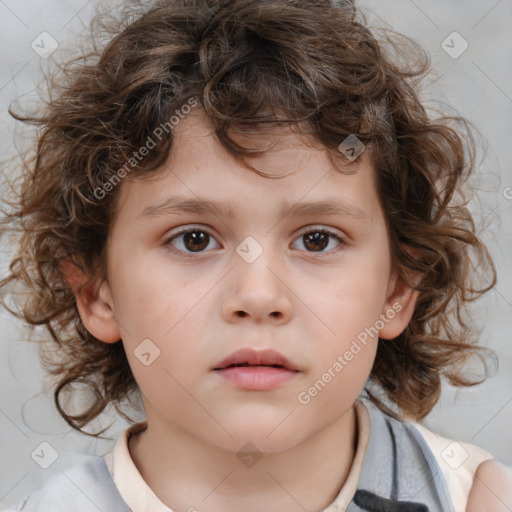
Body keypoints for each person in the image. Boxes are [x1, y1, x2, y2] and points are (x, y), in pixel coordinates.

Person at [1, 0, 511, 510]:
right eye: (194, 239)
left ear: (397, 291)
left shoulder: (475, 498)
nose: (259, 296)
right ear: (97, 294)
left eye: (317, 239)